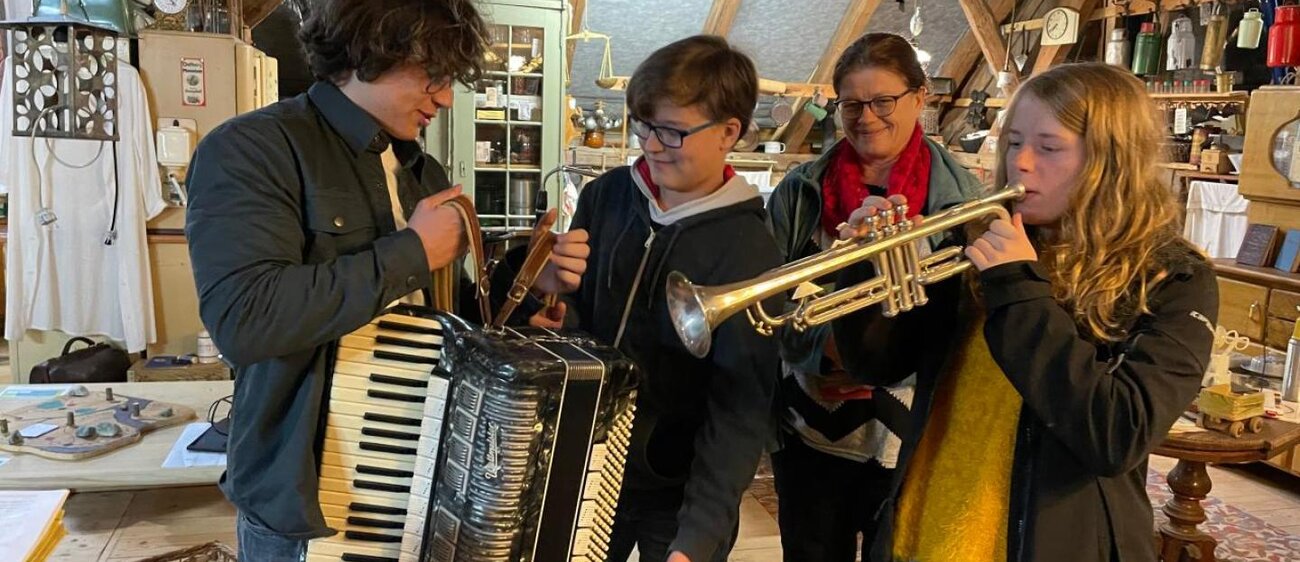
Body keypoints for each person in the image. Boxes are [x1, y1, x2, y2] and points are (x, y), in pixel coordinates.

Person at [183, 0, 589, 558]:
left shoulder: (424, 171)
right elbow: (244, 321)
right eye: (433, 75)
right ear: (371, 50)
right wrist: (413, 251)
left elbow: (445, 322)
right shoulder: (252, 149)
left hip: (421, 476)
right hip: (305, 499)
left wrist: (524, 290)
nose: (445, 99)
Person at [833, 62, 1220, 562]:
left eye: (1049, 147)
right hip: (925, 529)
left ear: (1112, 160)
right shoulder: (977, 241)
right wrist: (869, 268)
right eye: (1014, 142)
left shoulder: (1175, 277)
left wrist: (1017, 285)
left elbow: (1117, 434)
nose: (1022, 162)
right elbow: (878, 365)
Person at [551, 35, 782, 562]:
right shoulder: (606, 196)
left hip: (679, 493)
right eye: (644, 125)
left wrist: (697, 538)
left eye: (672, 132)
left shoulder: (751, 248)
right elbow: (573, 317)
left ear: (729, 132)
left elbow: (739, 410)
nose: (651, 146)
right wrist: (551, 305)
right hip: (584, 466)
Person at [764, 32, 982, 562]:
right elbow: (770, 300)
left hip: (910, 433)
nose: (867, 117)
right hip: (811, 424)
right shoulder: (801, 190)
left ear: (919, 96)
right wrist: (828, 349)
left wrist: (886, 359)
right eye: (852, 105)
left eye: (883, 101)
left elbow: (968, 322)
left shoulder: (963, 198)